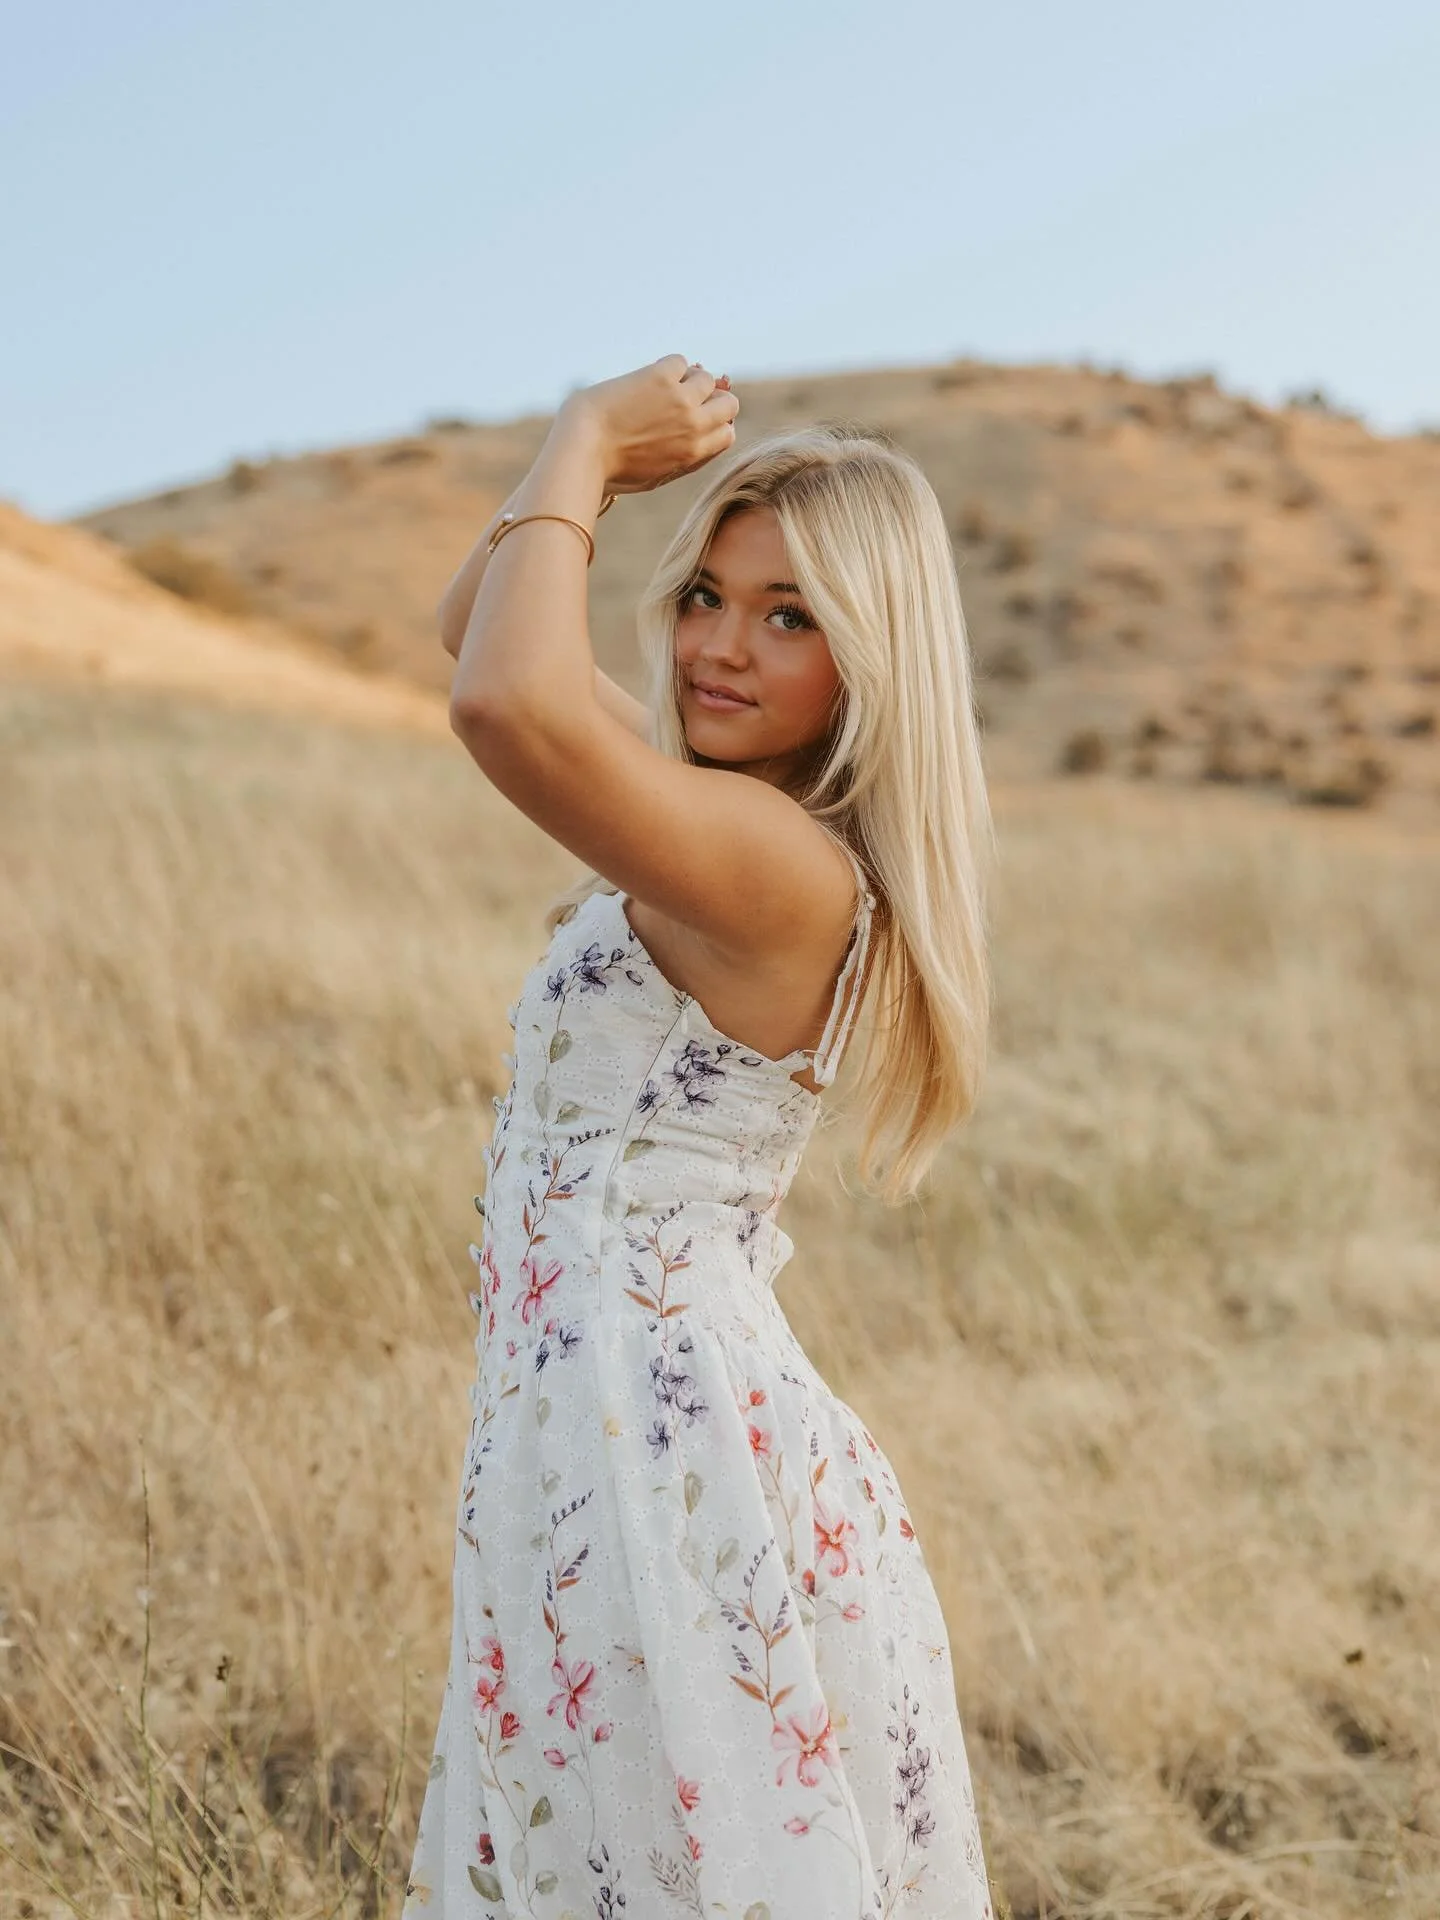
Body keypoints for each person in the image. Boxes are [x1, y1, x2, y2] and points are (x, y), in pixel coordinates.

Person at [404, 355, 994, 1918]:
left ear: (872, 658)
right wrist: (575, 485)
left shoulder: (778, 866)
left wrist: (586, 443)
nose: (723, 645)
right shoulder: (716, 816)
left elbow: (503, 700)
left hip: (662, 1447)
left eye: (792, 615)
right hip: (600, 1422)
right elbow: (476, 622)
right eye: (707, 595)